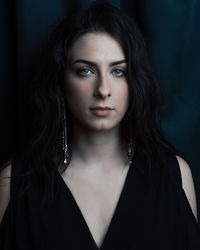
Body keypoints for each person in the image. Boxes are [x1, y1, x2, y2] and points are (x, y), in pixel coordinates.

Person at [0, 1, 199, 249]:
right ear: (61, 81)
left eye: (118, 72)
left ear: (135, 81)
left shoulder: (174, 175)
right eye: (85, 71)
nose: (103, 90)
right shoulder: (16, 181)